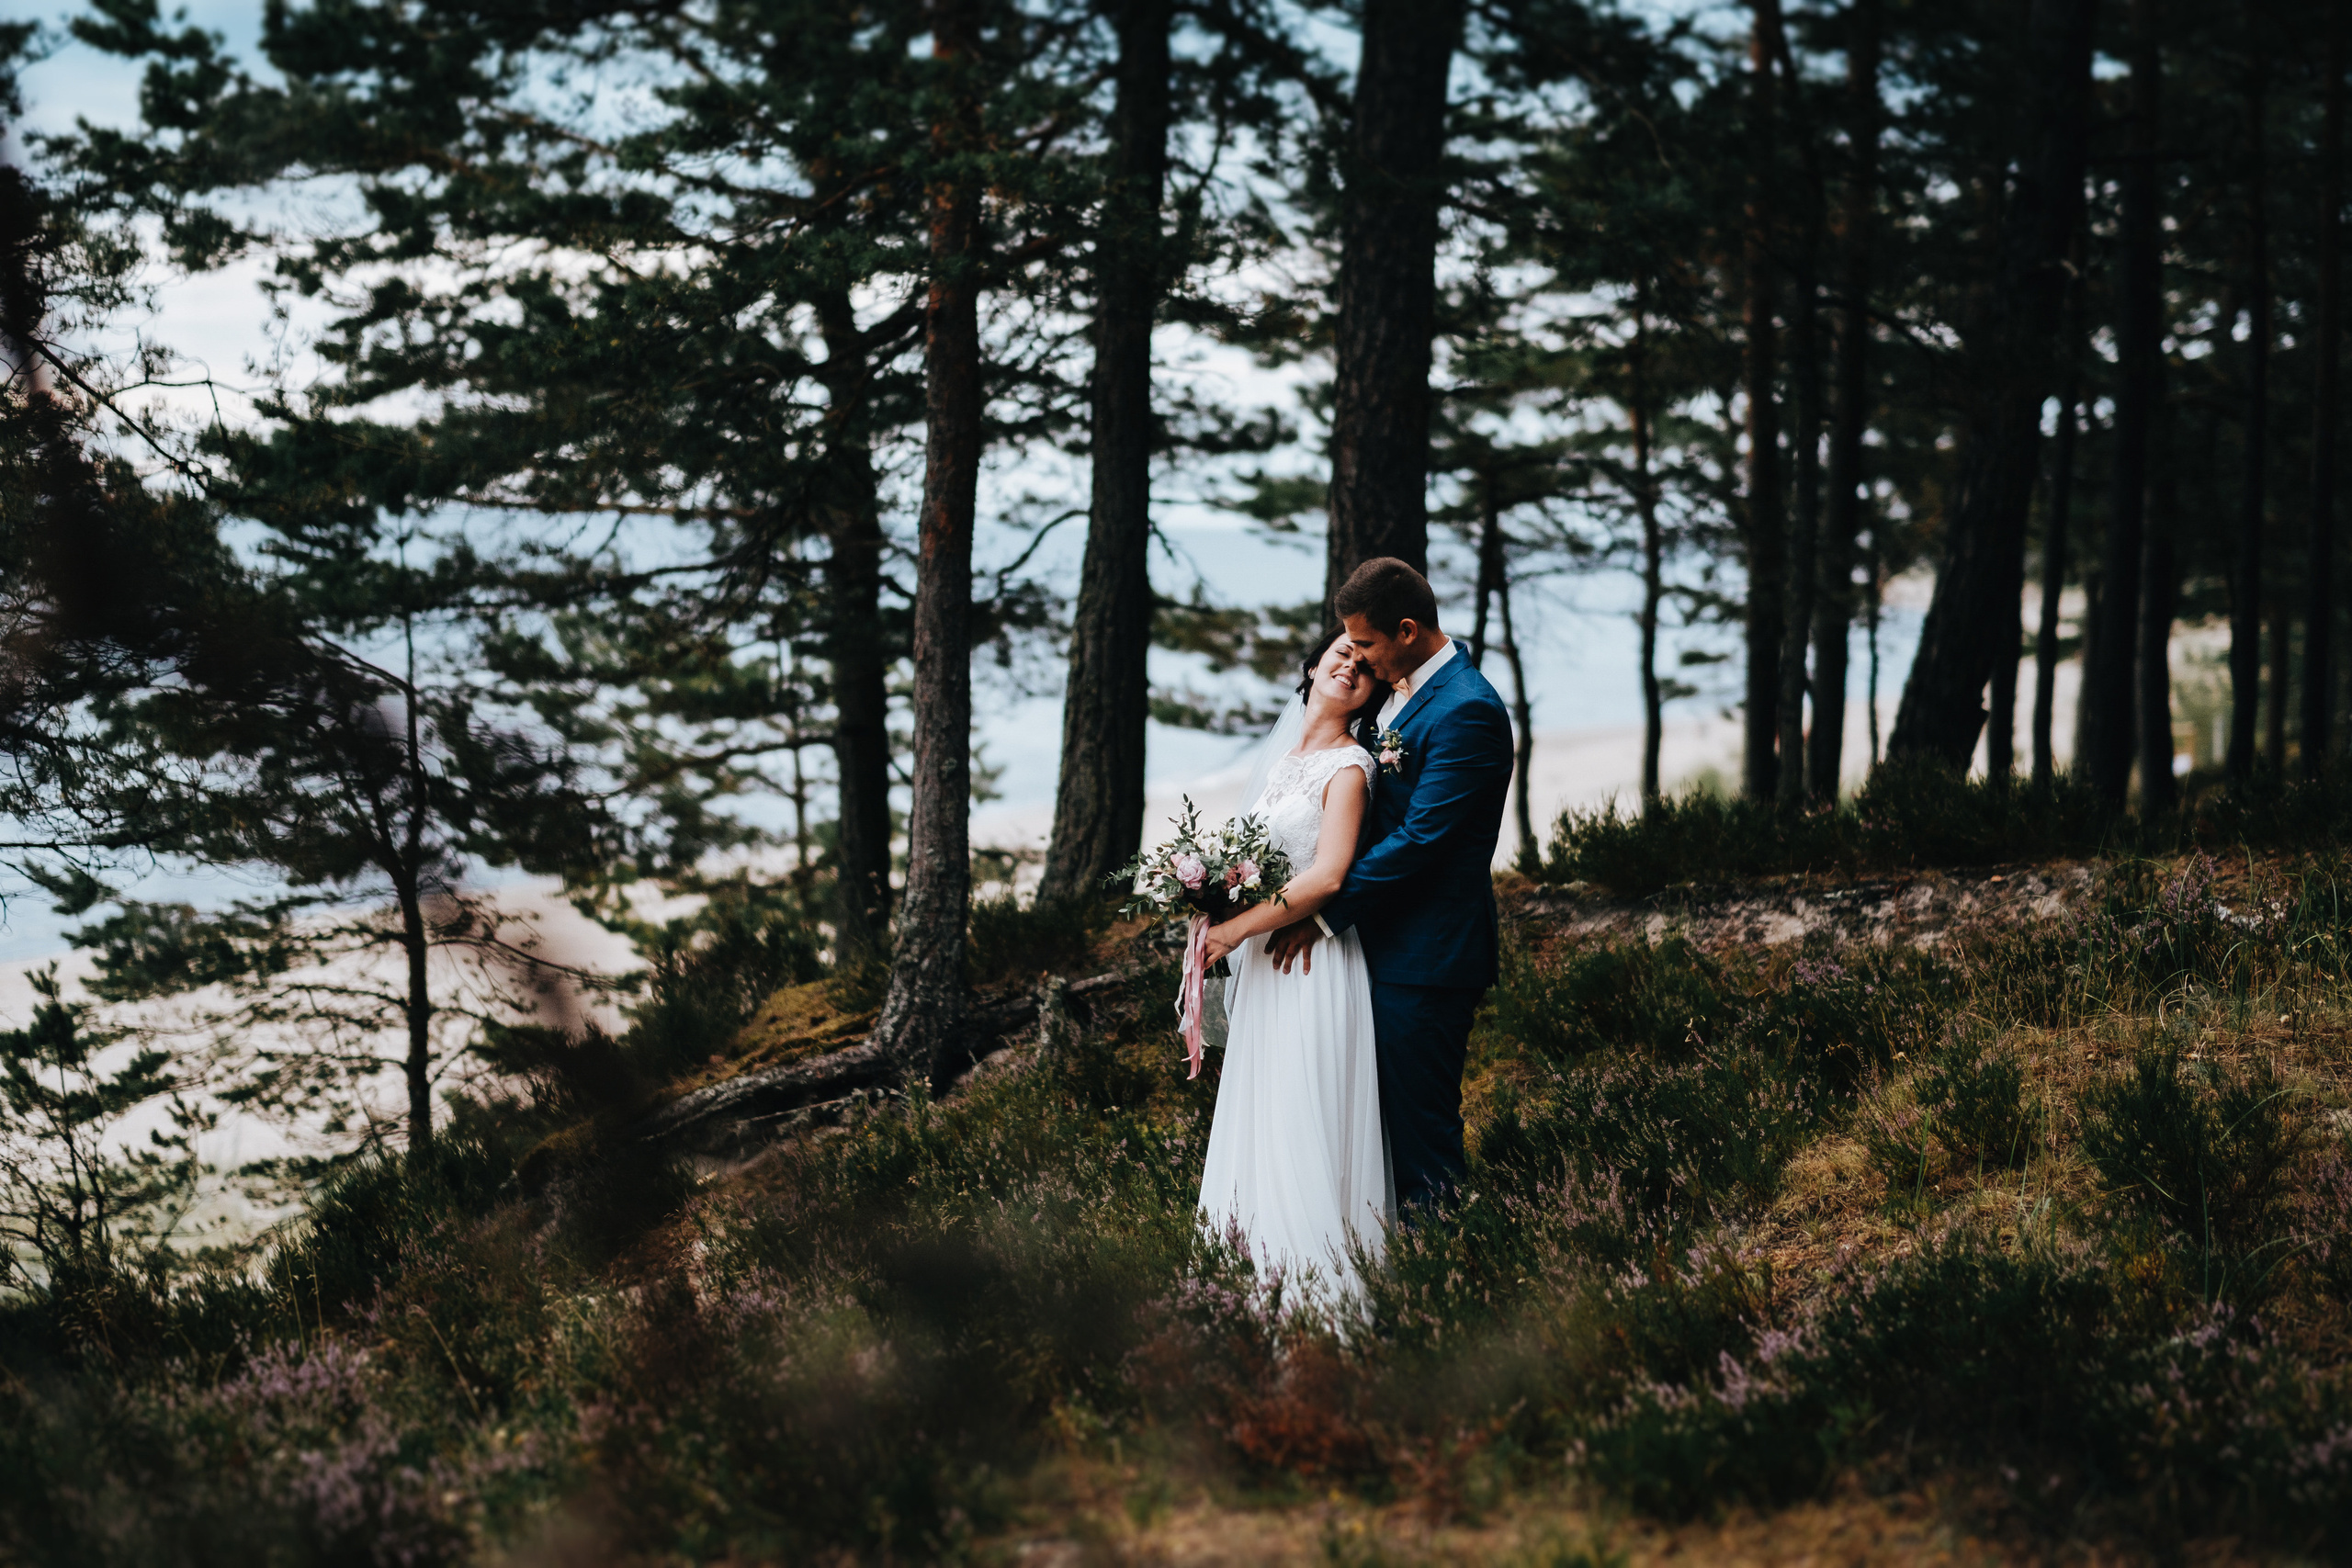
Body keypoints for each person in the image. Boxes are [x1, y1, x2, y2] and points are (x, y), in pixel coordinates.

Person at [1255, 557, 1515, 1216]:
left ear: (1406, 630)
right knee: (1368, 1129)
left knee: (1420, 1133)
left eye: (1365, 643)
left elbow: (1421, 840)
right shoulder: (1398, 695)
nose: (1359, 660)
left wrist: (1320, 910)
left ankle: (1446, 1261)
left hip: (1427, 958)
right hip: (1373, 949)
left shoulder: (1467, 709)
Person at [1193, 627, 1391, 1294]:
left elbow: (1329, 875)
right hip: (1264, 966)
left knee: (1301, 1114)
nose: (1351, 666)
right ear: (1312, 665)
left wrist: (1234, 930)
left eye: (1366, 666)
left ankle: (1319, 1291)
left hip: (1311, 965)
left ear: (1373, 691)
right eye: (1342, 653)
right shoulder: (1282, 763)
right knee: (1261, 1115)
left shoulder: (1351, 768)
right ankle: (1254, 1279)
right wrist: (1208, 905)